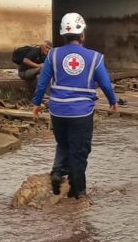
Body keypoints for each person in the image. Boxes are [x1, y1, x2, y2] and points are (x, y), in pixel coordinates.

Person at [32, 13, 118, 199]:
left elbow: (42, 83)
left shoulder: (53, 55)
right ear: (82, 35)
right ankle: (78, 196)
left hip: (58, 110)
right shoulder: (94, 58)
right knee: (79, 152)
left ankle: (57, 174)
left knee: (63, 143)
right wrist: (113, 101)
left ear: (63, 35)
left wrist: (36, 104)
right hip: (81, 113)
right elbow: (105, 84)